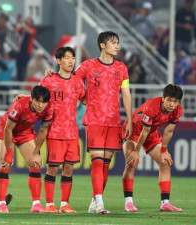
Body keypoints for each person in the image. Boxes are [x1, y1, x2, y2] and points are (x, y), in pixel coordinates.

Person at [45, 31, 133, 214]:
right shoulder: (88, 66)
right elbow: (69, 78)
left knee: (106, 165)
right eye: (113, 42)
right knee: (98, 162)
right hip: (94, 120)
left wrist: (130, 119)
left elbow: (126, 94)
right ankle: (99, 202)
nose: (117, 46)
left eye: (118, 42)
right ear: (102, 45)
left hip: (114, 121)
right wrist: (52, 74)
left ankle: (95, 200)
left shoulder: (122, 68)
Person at [122, 84, 183, 212]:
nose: (172, 104)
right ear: (163, 98)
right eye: (169, 100)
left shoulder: (178, 111)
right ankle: (128, 202)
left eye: (175, 101)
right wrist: (137, 151)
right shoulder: (151, 107)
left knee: (165, 162)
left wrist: (164, 151)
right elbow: (144, 131)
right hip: (133, 130)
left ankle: (165, 203)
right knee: (132, 162)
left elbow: (169, 131)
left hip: (150, 132)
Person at [39, 47, 86, 214]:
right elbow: (38, 97)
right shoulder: (49, 80)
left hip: (72, 131)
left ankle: (65, 203)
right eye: (67, 58)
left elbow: (85, 99)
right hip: (55, 131)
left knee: (69, 168)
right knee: (52, 168)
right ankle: (49, 204)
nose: (71, 61)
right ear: (58, 60)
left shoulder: (77, 81)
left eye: (73, 58)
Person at [0, 85, 53, 213]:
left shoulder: (49, 108)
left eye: (44, 102)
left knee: (35, 164)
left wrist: (36, 152)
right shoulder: (20, 105)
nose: (41, 105)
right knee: (5, 164)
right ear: (32, 99)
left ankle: (36, 204)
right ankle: (2, 204)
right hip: (6, 129)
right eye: (38, 101)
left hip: (24, 132)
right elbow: (8, 129)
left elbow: (43, 130)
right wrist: (10, 153)